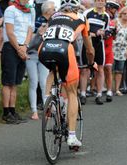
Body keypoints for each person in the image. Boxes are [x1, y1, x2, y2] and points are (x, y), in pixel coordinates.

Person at [38, 0, 96, 147]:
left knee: (53, 69)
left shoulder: (54, 16)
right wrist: (91, 62)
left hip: (44, 49)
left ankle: (48, 99)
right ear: (77, 10)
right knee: (72, 93)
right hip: (65, 50)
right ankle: (71, 136)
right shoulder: (82, 17)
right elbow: (89, 49)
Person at [1, 0, 34, 124]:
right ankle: (6, 112)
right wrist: (19, 49)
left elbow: (30, 30)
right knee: (8, 81)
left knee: (15, 82)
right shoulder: (10, 10)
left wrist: (25, 46)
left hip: (23, 47)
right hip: (11, 47)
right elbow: (10, 32)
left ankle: (13, 110)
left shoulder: (29, 10)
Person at [26, 1, 54, 120]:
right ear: (47, 11)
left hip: (44, 54)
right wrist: (39, 34)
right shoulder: (38, 21)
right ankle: (34, 111)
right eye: (53, 9)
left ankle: (46, 109)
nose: (55, 11)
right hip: (32, 54)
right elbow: (32, 40)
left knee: (44, 83)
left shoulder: (52, 22)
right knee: (34, 82)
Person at [83, 0, 109, 105]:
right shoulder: (87, 13)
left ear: (105, 3)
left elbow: (106, 31)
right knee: (86, 69)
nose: (100, 2)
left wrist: (104, 33)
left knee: (100, 69)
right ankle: (83, 94)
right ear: (94, 2)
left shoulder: (106, 15)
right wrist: (94, 33)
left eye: (102, 1)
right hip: (87, 43)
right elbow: (82, 29)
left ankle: (98, 95)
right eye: (98, 0)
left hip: (99, 44)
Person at [113, 6, 127, 96]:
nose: (126, 15)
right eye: (124, 13)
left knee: (119, 70)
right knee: (109, 69)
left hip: (123, 50)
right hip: (113, 48)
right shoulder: (116, 21)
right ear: (121, 13)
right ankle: (109, 88)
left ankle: (117, 89)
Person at [104, 0, 120, 102]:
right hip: (99, 47)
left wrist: (114, 32)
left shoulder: (114, 21)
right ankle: (96, 89)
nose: (111, 11)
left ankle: (109, 91)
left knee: (109, 69)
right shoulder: (101, 17)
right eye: (110, 8)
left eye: (113, 9)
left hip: (109, 47)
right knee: (98, 71)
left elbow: (114, 37)